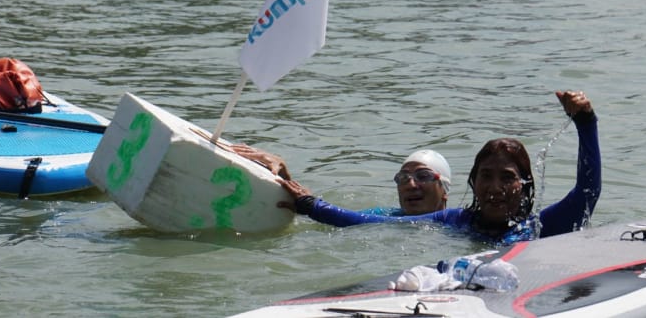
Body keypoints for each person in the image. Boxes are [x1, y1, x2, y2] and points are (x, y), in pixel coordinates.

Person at [245, 90, 600, 245]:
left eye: (506, 177)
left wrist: (586, 122)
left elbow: (588, 191)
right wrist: (309, 205)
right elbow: (374, 224)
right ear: (472, 183)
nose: (494, 187)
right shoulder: (455, 223)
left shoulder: (543, 227)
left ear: (524, 185)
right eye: (486, 177)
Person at [230, 146, 452, 216]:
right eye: (403, 178)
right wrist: (283, 179)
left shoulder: (457, 223)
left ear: (444, 190)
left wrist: (312, 206)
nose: (411, 185)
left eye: (423, 176)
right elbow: (346, 219)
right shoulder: (385, 215)